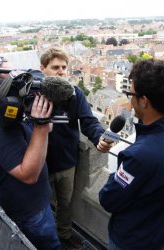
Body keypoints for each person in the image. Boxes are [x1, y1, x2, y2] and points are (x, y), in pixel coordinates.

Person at [99, 59, 164, 250]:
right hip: (155, 234)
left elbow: (108, 199)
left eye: (131, 94)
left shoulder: (138, 157)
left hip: (129, 239)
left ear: (144, 101)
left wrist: (118, 171)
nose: (129, 99)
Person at [40, 48, 113, 248]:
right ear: (43, 69)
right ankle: (45, 240)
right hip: (40, 164)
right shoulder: (34, 93)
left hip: (66, 163)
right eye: (55, 67)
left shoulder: (74, 94)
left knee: (65, 204)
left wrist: (99, 137)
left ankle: (63, 234)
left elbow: (88, 121)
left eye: (64, 67)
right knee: (40, 206)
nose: (61, 72)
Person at [0, 92, 61, 250]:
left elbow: (47, 129)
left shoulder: (10, 115)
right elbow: (28, 175)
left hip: (38, 202)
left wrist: (42, 113)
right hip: (27, 211)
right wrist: (40, 123)